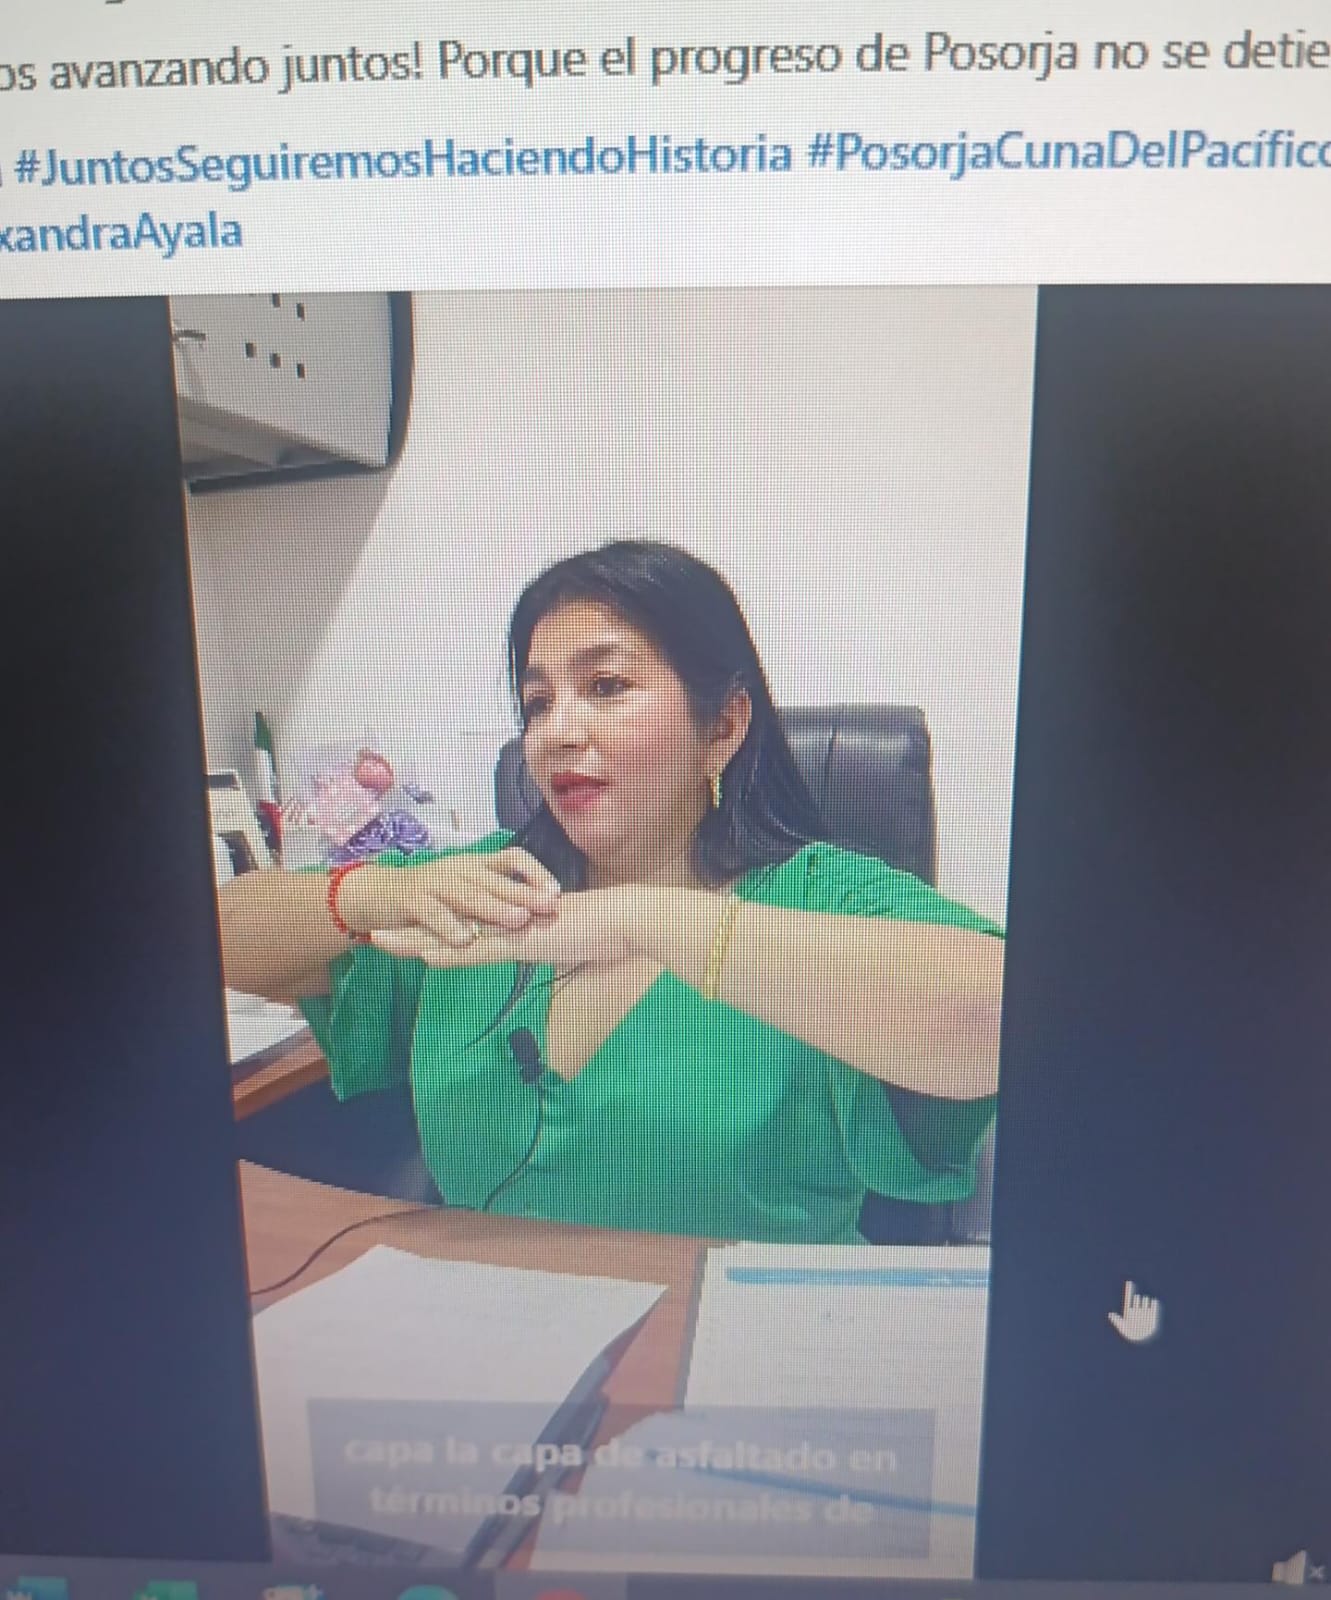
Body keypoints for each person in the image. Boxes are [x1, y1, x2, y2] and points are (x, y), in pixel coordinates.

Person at [220, 540, 1004, 1244]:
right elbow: (217, 935)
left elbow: (1006, 1018)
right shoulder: (486, 891)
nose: (556, 733)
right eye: (537, 703)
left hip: (746, 1342)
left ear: (723, 728)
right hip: (493, 1332)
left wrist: (639, 917)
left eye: (605, 685)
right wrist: (370, 896)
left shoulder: (817, 895)